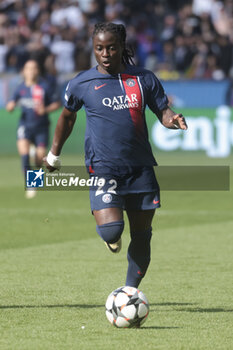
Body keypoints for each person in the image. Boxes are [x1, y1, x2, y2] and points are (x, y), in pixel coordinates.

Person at [45, 22, 187, 288]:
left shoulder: (143, 79)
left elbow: (162, 112)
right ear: (93, 49)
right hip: (103, 167)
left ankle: (130, 292)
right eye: (99, 48)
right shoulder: (81, 83)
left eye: (111, 47)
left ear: (122, 47)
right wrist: (54, 154)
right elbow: (67, 117)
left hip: (141, 168)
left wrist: (172, 120)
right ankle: (112, 236)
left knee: (142, 235)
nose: (106, 53)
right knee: (111, 230)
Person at [6, 59, 61, 198]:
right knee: (24, 155)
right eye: (28, 68)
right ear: (24, 71)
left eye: (34, 68)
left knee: (38, 161)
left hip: (41, 127)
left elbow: (57, 103)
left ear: (37, 71)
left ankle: (35, 174)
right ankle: (30, 185)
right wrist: (11, 106)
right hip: (25, 125)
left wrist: (46, 109)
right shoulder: (20, 87)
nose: (31, 71)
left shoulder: (45, 86)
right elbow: (11, 103)